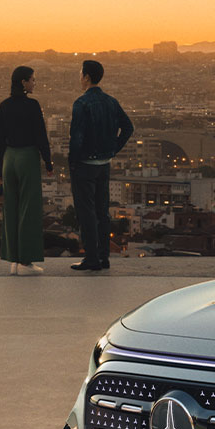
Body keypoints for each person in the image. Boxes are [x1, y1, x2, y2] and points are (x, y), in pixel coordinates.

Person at [67, 55, 132, 270]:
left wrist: (73, 163)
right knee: (102, 212)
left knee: (86, 213)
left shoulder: (82, 103)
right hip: (104, 164)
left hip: (84, 165)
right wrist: (113, 148)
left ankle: (92, 258)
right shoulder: (111, 102)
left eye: (80, 74)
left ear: (86, 77)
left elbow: (76, 138)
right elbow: (128, 127)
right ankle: (104, 257)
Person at [0, 66, 50, 269]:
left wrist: (1, 171)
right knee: (29, 209)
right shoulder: (32, 106)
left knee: (10, 209)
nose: (35, 83)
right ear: (24, 83)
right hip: (27, 157)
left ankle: (12, 259)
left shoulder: (4, 106)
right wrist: (48, 161)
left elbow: (0, 141)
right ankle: (26, 261)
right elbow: (40, 135)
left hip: (9, 158)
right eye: (32, 80)